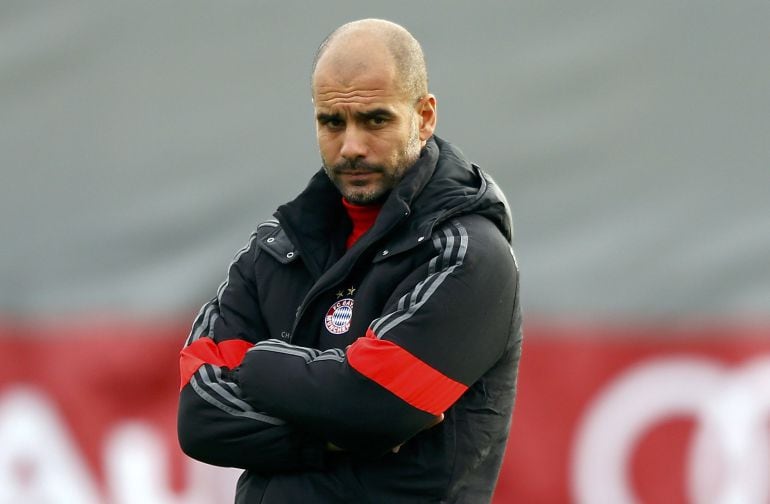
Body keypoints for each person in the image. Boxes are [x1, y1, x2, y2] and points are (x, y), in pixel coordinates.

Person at [177, 18, 522, 504]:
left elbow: (375, 406)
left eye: (375, 120)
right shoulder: (276, 248)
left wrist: (258, 365)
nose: (352, 147)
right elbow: (199, 417)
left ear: (424, 117)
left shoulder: (468, 254)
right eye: (332, 123)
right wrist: (332, 436)